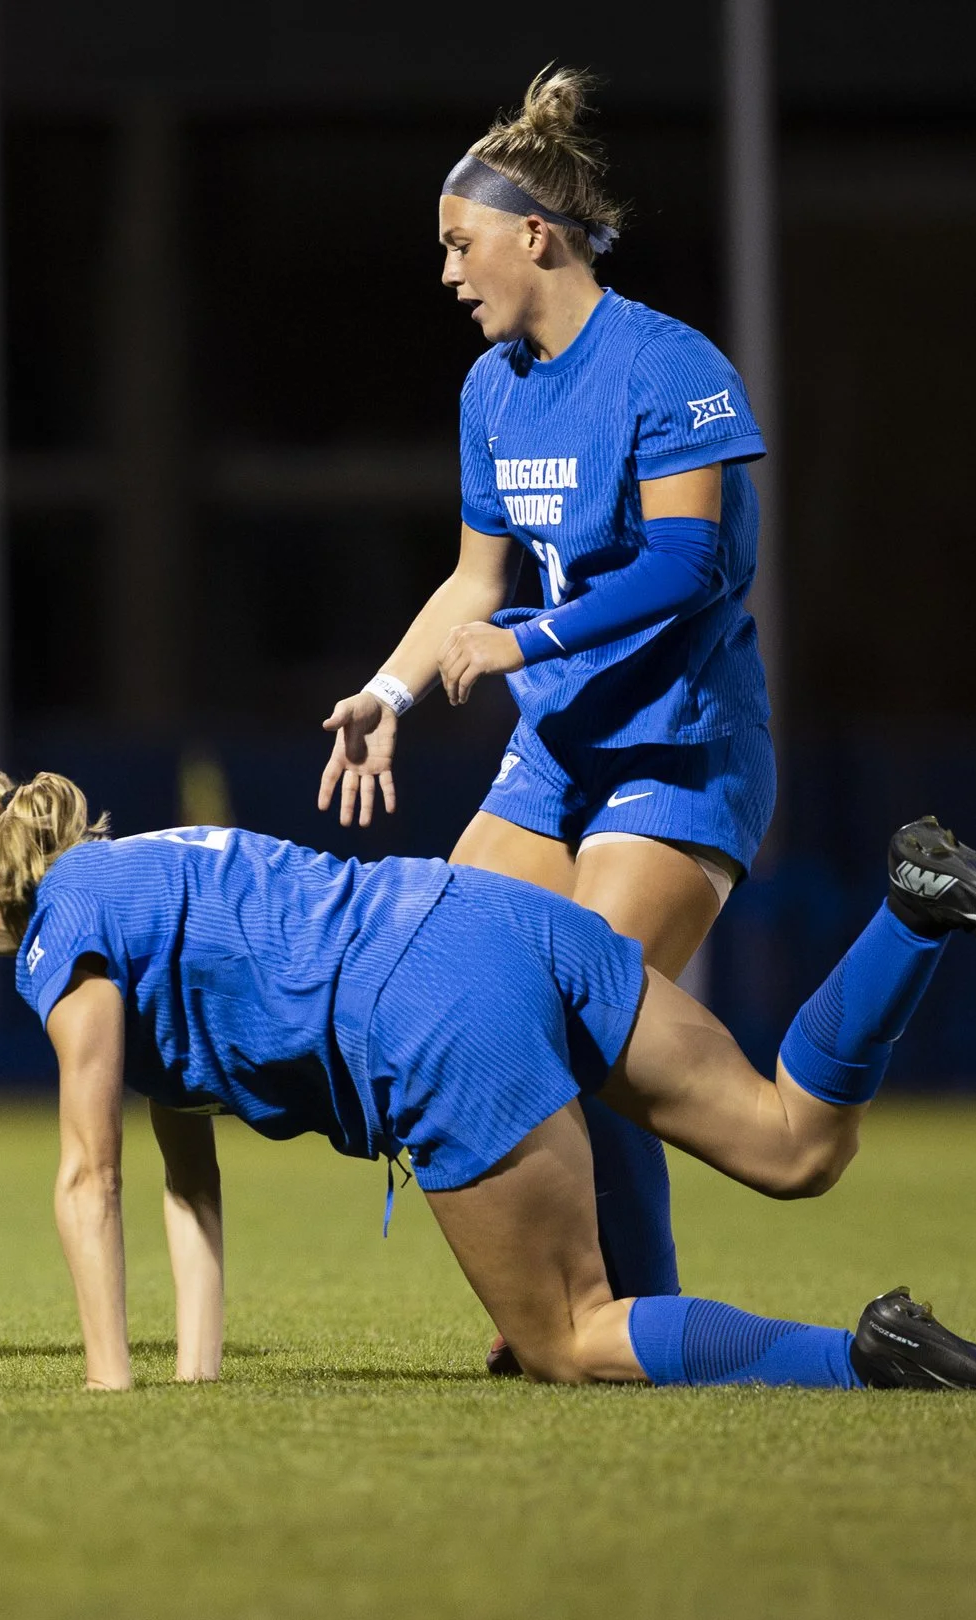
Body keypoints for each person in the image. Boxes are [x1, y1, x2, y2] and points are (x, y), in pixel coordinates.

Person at [0, 766, 976, 1392]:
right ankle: (916, 909)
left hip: (422, 1005)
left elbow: (91, 1174)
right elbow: (186, 1175)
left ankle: (862, 1359)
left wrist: (99, 1383)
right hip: (484, 915)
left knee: (567, 1338)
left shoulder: (56, 934)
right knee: (793, 1140)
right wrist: (180, 1380)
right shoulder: (128, 876)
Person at [317, 68, 769, 1368]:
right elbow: (472, 582)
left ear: (537, 236)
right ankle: (572, 1313)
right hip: (558, 751)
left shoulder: (671, 364)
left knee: (593, 1019)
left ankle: (635, 1320)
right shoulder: (492, 390)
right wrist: (390, 691)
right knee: (456, 987)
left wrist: (526, 639)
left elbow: (692, 565)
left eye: (461, 245)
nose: (449, 272)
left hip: (678, 751)